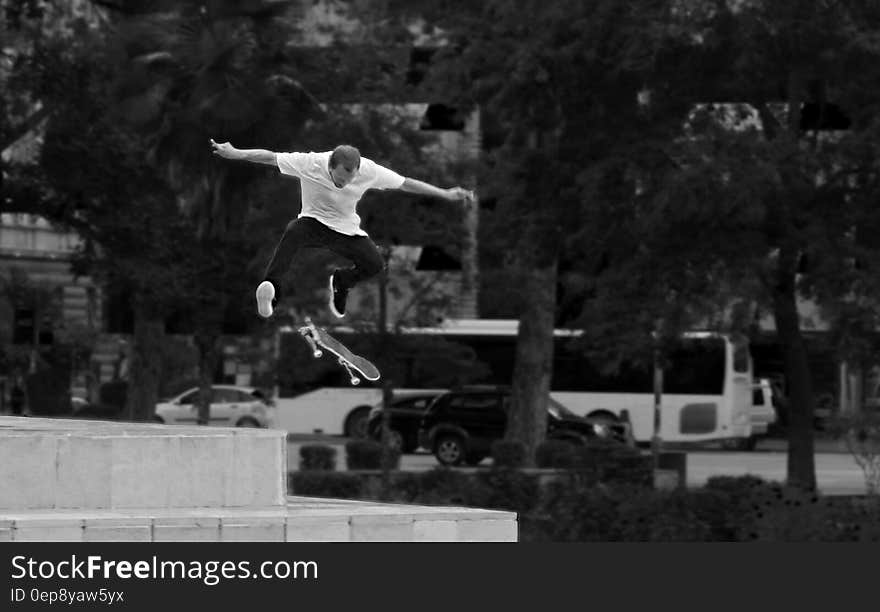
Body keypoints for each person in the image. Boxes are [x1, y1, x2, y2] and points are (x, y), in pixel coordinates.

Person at [210, 140, 474, 318]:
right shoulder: (310, 162)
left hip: (345, 230)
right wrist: (236, 153)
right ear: (330, 166)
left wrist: (445, 194)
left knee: (374, 263)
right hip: (312, 222)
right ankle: (271, 289)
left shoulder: (368, 170)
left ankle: (342, 282)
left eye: (350, 179)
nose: (344, 183)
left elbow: (405, 183)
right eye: (340, 178)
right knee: (293, 232)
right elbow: (270, 158)